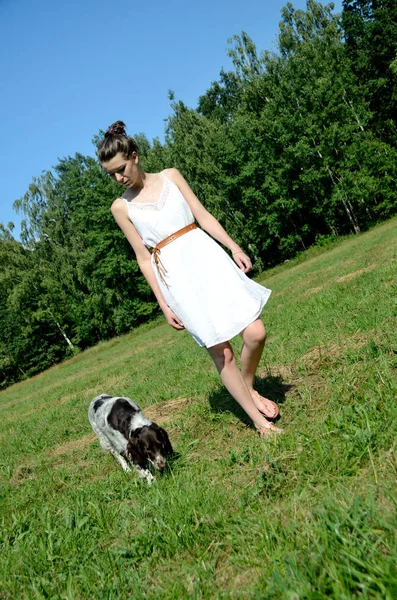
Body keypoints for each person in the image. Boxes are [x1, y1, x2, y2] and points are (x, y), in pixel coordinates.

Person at [98, 121, 282, 436]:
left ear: (135, 155)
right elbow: (144, 258)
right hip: (176, 279)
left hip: (208, 258)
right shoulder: (121, 207)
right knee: (221, 352)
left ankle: (247, 388)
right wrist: (163, 303)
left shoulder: (171, 176)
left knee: (255, 332)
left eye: (121, 168)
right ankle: (259, 423)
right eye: (111, 174)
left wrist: (233, 247)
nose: (118, 178)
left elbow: (203, 214)